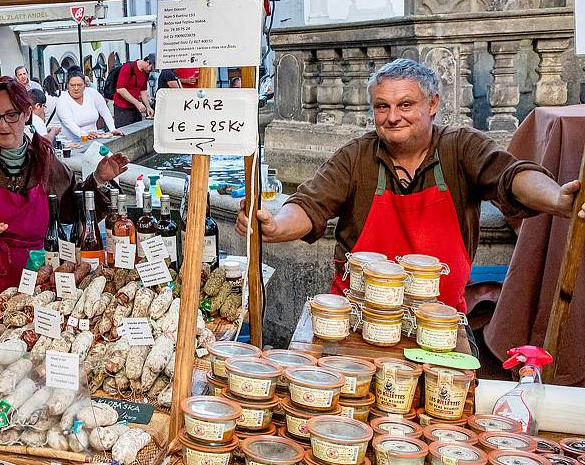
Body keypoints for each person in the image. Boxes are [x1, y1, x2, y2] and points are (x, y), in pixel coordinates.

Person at [235, 59, 585, 313]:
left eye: (405, 105)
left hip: (439, 318)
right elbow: (310, 204)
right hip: (358, 314)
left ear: (432, 104)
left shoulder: (460, 148)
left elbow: (514, 176)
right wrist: (276, 226)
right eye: (382, 106)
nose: (392, 117)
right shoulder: (356, 157)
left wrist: (556, 198)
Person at [0, 76, 130, 309]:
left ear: (27, 114)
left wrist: (99, 179)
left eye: (11, 115)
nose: (2, 125)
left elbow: (71, 208)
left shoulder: (44, 159)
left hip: (27, 288)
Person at [51, 71, 122, 143]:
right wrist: (85, 135)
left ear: (85, 85)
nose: (76, 88)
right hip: (73, 143)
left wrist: (112, 129)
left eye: (79, 85)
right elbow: (69, 123)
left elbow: (105, 112)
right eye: (72, 85)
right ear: (67, 85)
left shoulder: (92, 93)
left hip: (95, 140)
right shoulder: (62, 100)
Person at [113, 54, 155, 128]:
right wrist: (137, 103)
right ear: (147, 62)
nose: (150, 71)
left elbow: (143, 90)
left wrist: (148, 107)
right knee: (125, 132)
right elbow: (120, 89)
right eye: (151, 68)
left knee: (137, 130)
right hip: (122, 108)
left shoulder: (145, 73)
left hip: (135, 108)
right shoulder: (128, 67)